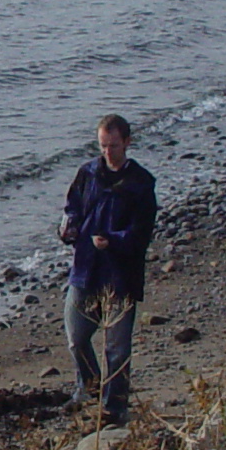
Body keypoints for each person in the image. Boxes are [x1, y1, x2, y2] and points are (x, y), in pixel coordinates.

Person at [61, 114, 157, 425]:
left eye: (113, 146)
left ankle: (114, 408)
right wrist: (68, 229)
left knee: (117, 347)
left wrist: (112, 241)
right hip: (85, 268)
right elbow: (72, 207)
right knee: (77, 336)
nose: (108, 152)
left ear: (127, 142)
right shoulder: (87, 173)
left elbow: (141, 235)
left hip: (121, 275)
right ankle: (87, 386)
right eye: (103, 146)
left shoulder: (141, 183)